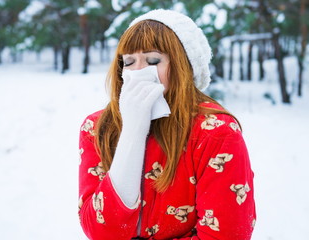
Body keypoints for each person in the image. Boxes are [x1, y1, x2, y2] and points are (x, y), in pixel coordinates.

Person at [78, 9, 256, 240]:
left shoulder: (216, 133)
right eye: (129, 61)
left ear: (183, 67)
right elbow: (101, 231)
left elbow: (226, 234)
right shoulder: (97, 127)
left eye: (153, 60)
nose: (139, 72)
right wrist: (132, 129)